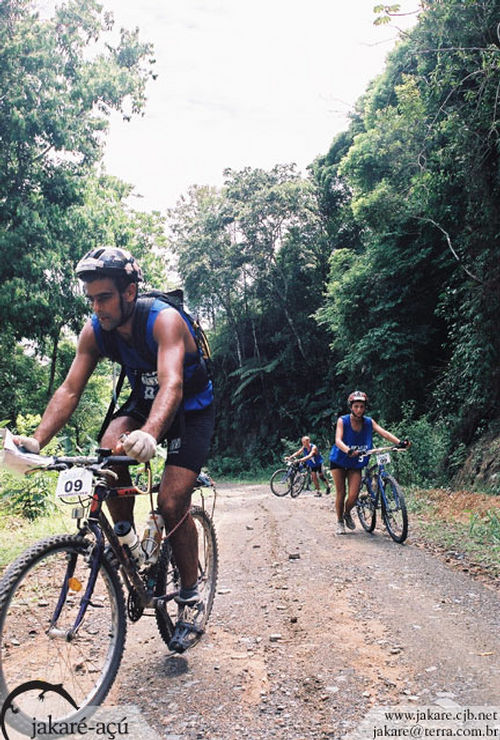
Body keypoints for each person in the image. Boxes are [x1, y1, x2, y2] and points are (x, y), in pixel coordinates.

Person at [12, 246, 215, 653]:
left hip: (190, 408)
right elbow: (70, 388)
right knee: (108, 452)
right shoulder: (96, 330)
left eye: (104, 297)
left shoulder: (164, 321)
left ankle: (190, 596)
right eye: (90, 299)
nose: (97, 307)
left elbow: (172, 384)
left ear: (130, 292)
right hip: (144, 402)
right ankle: (127, 540)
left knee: (173, 502)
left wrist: (151, 435)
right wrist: (37, 440)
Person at [329, 391, 409, 535]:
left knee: (353, 495)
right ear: (351, 407)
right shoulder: (343, 420)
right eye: (356, 406)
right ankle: (340, 521)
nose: (359, 409)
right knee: (341, 493)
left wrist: (399, 442)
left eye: (361, 406)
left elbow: (383, 432)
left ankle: (347, 513)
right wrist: (348, 450)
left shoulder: (368, 422)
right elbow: (338, 440)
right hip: (339, 460)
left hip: (356, 462)